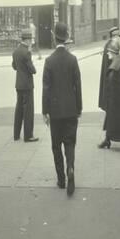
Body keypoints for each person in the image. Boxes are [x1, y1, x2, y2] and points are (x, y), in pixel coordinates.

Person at [42, 22, 82, 196]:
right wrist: (79, 108)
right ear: (66, 38)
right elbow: (77, 86)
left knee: (56, 145)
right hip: (71, 109)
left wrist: (45, 111)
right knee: (70, 142)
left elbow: (46, 88)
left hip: (56, 111)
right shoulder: (73, 60)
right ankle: (70, 167)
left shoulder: (49, 61)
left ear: (54, 37)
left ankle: (61, 179)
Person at [12, 28, 38, 142]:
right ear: (27, 40)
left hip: (18, 84)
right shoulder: (26, 52)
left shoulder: (16, 51)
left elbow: (14, 66)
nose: (31, 42)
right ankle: (28, 135)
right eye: (30, 40)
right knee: (28, 110)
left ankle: (16, 135)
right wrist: (31, 59)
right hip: (27, 85)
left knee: (19, 109)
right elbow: (32, 70)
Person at [98, 26, 120, 117]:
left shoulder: (108, 44)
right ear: (114, 36)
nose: (119, 38)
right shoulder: (112, 46)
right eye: (118, 36)